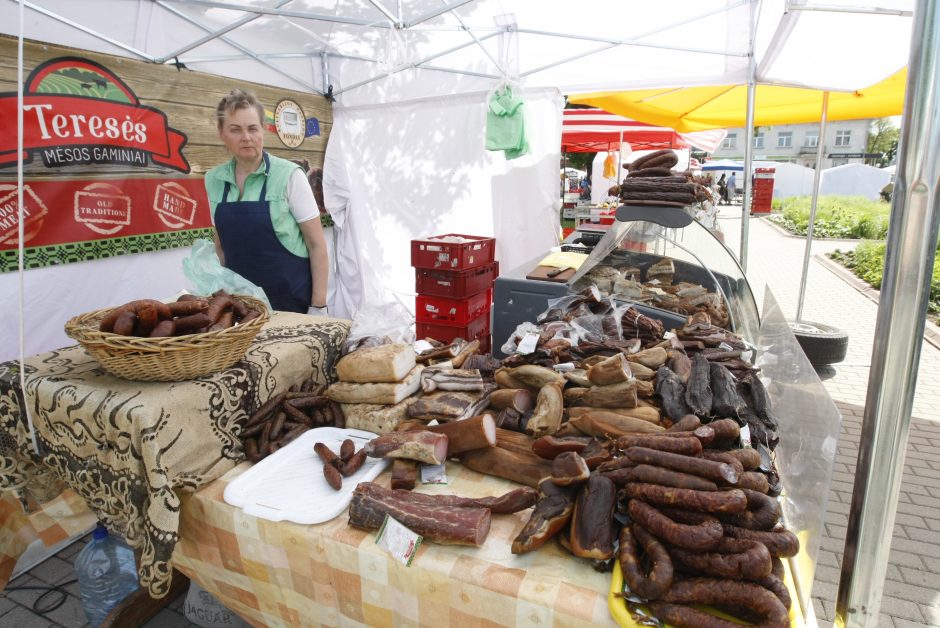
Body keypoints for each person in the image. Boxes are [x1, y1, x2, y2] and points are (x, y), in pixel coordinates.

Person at [205, 89, 329, 315]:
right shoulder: (213, 180)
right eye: (235, 129)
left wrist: (318, 306)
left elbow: (317, 245)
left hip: (292, 305)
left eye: (253, 128)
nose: (246, 137)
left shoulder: (289, 176)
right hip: (242, 311)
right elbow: (221, 245)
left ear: (262, 130)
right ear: (221, 133)